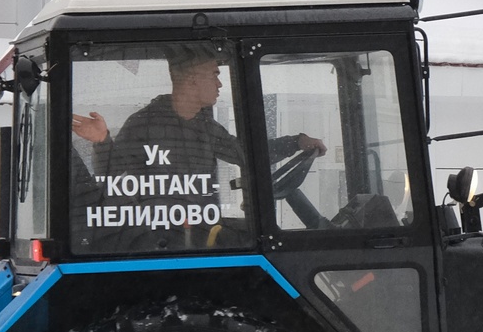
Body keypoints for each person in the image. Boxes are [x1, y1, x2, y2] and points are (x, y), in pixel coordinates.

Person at [71, 47, 322, 246]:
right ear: (191, 80)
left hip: (199, 228)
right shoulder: (143, 125)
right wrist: (103, 142)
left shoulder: (205, 126)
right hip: (160, 237)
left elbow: (245, 154)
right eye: (214, 74)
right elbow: (115, 178)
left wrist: (296, 142)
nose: (220, 84)